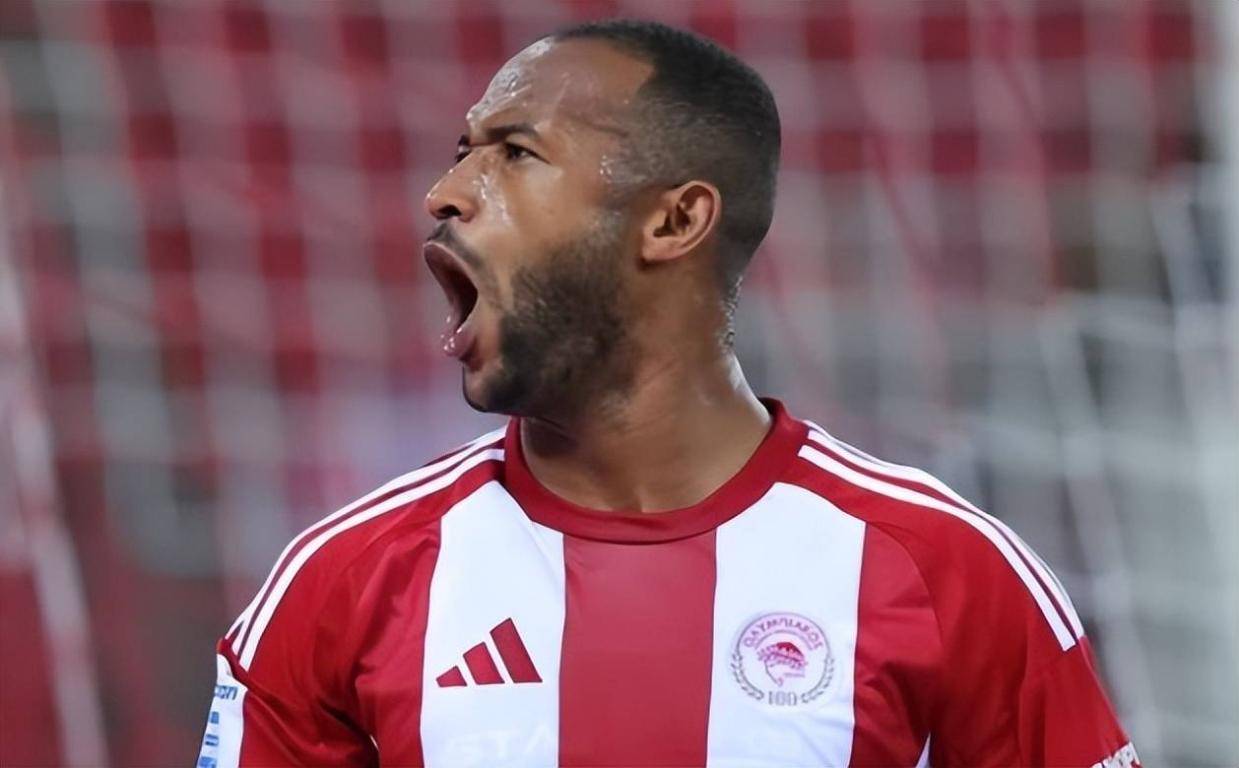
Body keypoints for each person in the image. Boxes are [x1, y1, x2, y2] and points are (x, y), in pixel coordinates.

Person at [198, 19, 1139, 768]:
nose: (445, 192)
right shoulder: (341, 583)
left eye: (514, 153)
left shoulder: (945, 571)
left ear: (675, 219)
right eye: (461, 150)